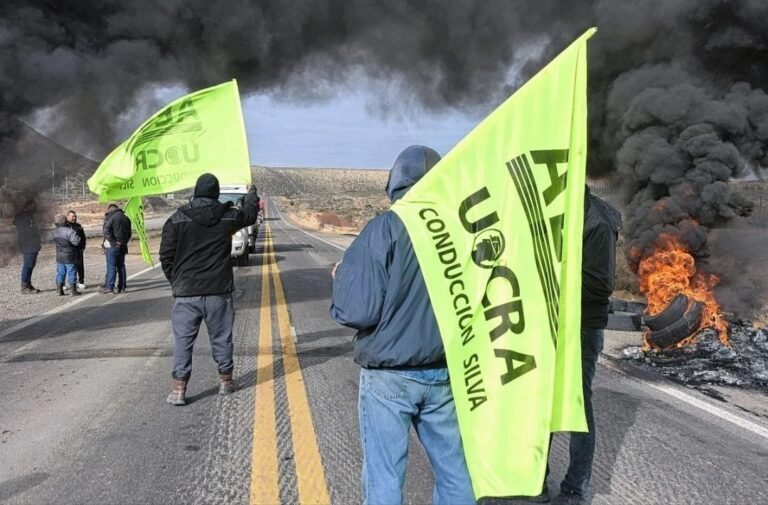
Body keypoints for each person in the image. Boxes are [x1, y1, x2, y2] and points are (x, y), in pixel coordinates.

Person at [329, 145, 475, 505]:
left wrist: (340, 281)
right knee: (456, 473)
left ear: (396, 182)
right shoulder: (464, 230)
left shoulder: (385, 228)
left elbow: (356, 311)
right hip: (446, 371)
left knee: (385, 476)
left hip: (390, 375)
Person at [549, 186, 621, 505]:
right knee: (542, 400)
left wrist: (552, 278)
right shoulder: (560, 208)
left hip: (582, 326)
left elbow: (599, 285)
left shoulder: (597, 222)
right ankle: (534, 478)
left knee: (578, 403)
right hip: (552, 322)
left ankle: (575, 486)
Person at [159, 173, 259, 406]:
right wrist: (251, 194)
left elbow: (165, 256)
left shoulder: (176, 219)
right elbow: (250, 215)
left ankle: (179, 390)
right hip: (218, 291)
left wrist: (176, 281)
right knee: (222, 338)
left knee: (183, 341)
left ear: (195, 191)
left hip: (186, 293)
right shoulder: (227, 216)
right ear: (216, 193)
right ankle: (226, 381)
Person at [102, 203, 132, 294]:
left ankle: (110, 287)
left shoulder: (112, 218)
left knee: (111, 266)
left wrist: (113, 242)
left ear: (110, 210)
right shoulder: (126, 218)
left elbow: (106, 230)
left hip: (113, 247)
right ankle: (122, 287)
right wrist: (123, 242)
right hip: (123, 246)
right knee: (121, 266)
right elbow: (129, 234)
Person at [13, 199, 42, 294]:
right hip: (27, 245)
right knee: (27, 265)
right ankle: (24, 287)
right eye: (32, 207)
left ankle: (28, 284)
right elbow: (24, 231)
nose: (34, 209)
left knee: (31, 265)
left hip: (33, 244)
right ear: (27, 206)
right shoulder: (21, 217)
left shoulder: (30, 216)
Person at [52, 214, 82, 296]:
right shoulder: (69, 231)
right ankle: (73, 291)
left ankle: (59, 290)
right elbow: (76, 242)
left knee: (60, 272)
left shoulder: (54, 232)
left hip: (59, 255)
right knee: (71, 271)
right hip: (70, 255)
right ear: (65, 221)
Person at [66, 210, 87, 289]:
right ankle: (69, 283)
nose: (74, 218)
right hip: (69, 251)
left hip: (78, 250)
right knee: (69, 266)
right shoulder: (65, 226)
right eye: (72, 216)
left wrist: (83, 247)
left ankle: (81, 281)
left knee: (80, 266)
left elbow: (83, 238)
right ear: (68, 217)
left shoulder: (78, 226)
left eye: (75, 216)